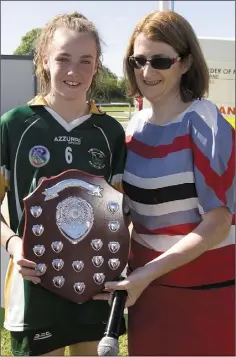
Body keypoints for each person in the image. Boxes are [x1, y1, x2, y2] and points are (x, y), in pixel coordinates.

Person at [94, 10, 235, 356]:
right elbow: (123, 212)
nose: (147, 71)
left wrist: (147, 274)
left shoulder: (206, 124)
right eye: (138, 60)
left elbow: (218, 223)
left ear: (185, 63)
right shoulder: (132, 127)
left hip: (205, 293)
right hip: (146, 294)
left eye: (160, 61)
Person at [0, 12, 127, 356]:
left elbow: (121, 214)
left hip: (95, 285)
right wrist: (13, 244)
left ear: (97, 65)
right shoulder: (15, 125)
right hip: (34, 287)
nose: (74, 71)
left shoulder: (110, 132)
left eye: (85, 60)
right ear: (44, 60)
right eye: (63, 59)